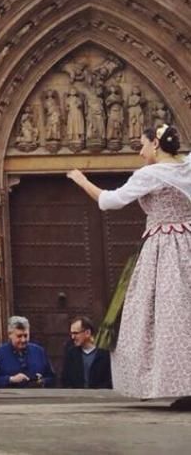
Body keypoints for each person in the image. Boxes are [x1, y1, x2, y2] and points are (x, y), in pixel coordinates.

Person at [67, 125, 191, 408]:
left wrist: (81, 180)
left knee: (164, 315)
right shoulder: (187, 167)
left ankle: (172, 382)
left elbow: (110, 201)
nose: (140, 151)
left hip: (165, 247)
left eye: (143, 145)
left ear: (156, 145)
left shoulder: (152, 174)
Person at [0, 317, 55, 388]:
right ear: (10, 335)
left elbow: (52, 378)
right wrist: (10, 379)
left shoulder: (39, 352)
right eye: (19, 336)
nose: (23, 340)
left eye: (26, 336)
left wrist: (42, 381)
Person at [60, 316, 112, 389]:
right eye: (71, 333)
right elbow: (65, 380)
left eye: (76, 333)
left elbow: (109, 381)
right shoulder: (71, 354)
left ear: (87, 333)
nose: (72, 337)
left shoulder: (105, 354)